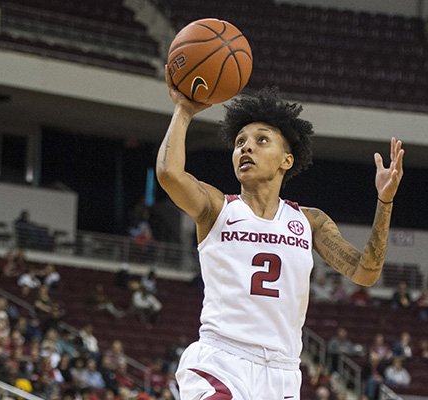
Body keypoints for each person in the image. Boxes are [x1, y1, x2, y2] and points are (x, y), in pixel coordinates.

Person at [157, 65, 405, 399]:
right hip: (221, 361)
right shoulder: (217, 208)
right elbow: (169, 174)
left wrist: (384, 201)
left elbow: (365, 273)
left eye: (261, 141)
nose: (246, 148)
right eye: (240, 142)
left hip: (282, 374)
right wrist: (184, 111)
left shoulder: (309, 221)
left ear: (286, 160)